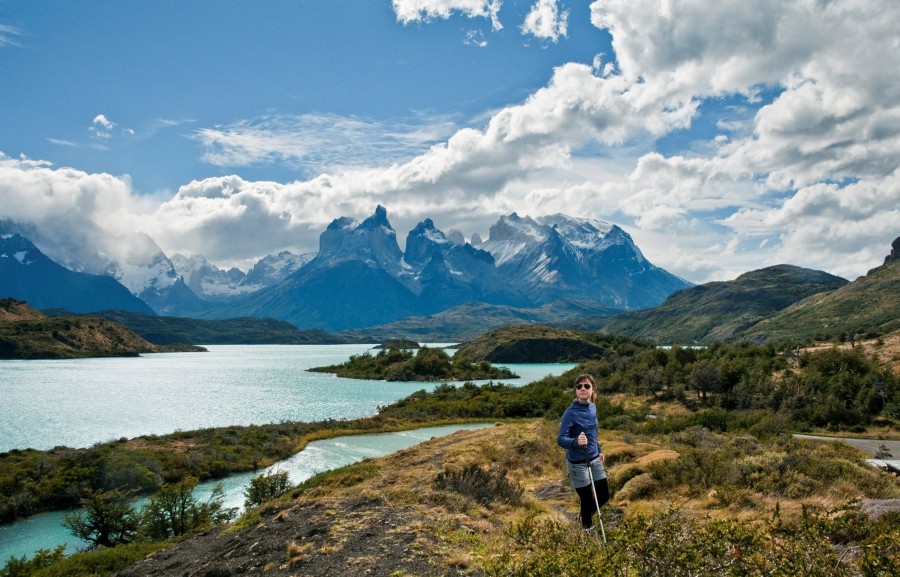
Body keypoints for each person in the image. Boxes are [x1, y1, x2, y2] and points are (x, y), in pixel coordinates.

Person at [557, 373, 609, 530]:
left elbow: (593, 433)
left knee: (603, 496)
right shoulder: (570, 413)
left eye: (587, 386)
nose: (582, 388)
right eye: (579, 386)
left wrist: (598, 450)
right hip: (577, 463)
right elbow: (561, 439)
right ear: (576, 391)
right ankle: (587, 529)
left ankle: (584, 518)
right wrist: (576, 442)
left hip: (594, 459)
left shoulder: (592, 407)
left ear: (593, 390)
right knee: (586, 500)